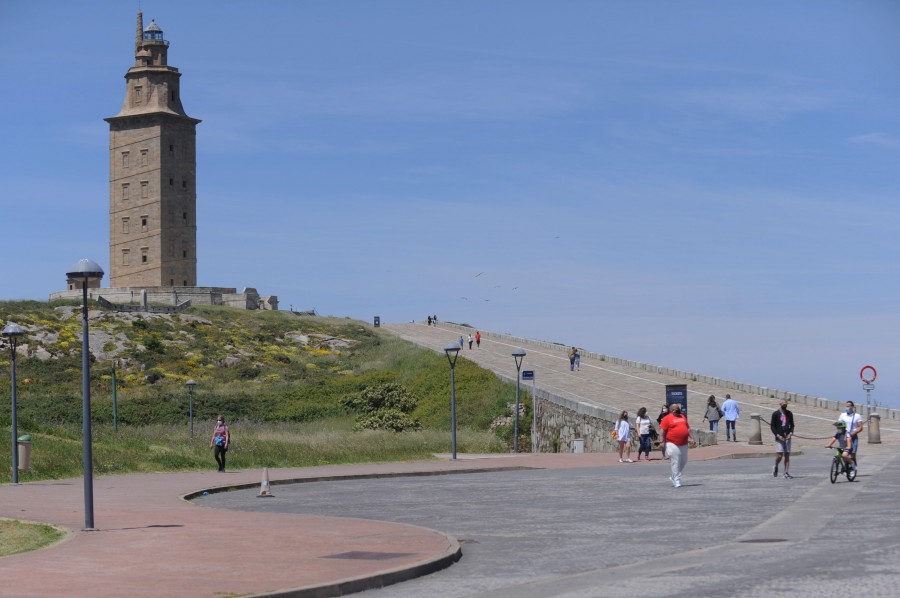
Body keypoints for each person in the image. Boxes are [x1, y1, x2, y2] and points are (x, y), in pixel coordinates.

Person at [659, 403, 694, 487]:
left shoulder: (682, 416)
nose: (679, 409)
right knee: (675, 460)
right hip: (672, 443)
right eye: (677, 408)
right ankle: (677, 480)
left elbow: (688, 428)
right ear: (672, 410)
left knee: (683, 461)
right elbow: (662, 431)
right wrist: (661, 442)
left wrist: (692, 438)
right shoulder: (666, 419)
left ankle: (673, 475)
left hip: (683, 443)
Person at [770, 401, 794, 479]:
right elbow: (772, 426)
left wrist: (790, 433)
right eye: (783, 404)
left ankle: (786, 472)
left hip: (787, 436)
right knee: (780, 455)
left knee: (787, 455)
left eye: (786, 404)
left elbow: (792, 425)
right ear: (780, 404)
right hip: (779, 436)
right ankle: (776, 465)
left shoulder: (789, 413)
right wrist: (777, 435)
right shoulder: (775, 414)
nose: (785, 405)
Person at [838, 400, 863, 471]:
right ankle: (845, 466)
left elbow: (860, 427)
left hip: (853, 436)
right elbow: (839, 424)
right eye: (846, 406)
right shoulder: (842, 415)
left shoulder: (857, 416)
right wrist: (839, 431)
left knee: (853, 453)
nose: (847, 408)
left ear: (852, 407)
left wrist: (853, 433)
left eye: (848, 406)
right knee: (843, 452)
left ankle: (853, 468)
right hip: (844, 436)